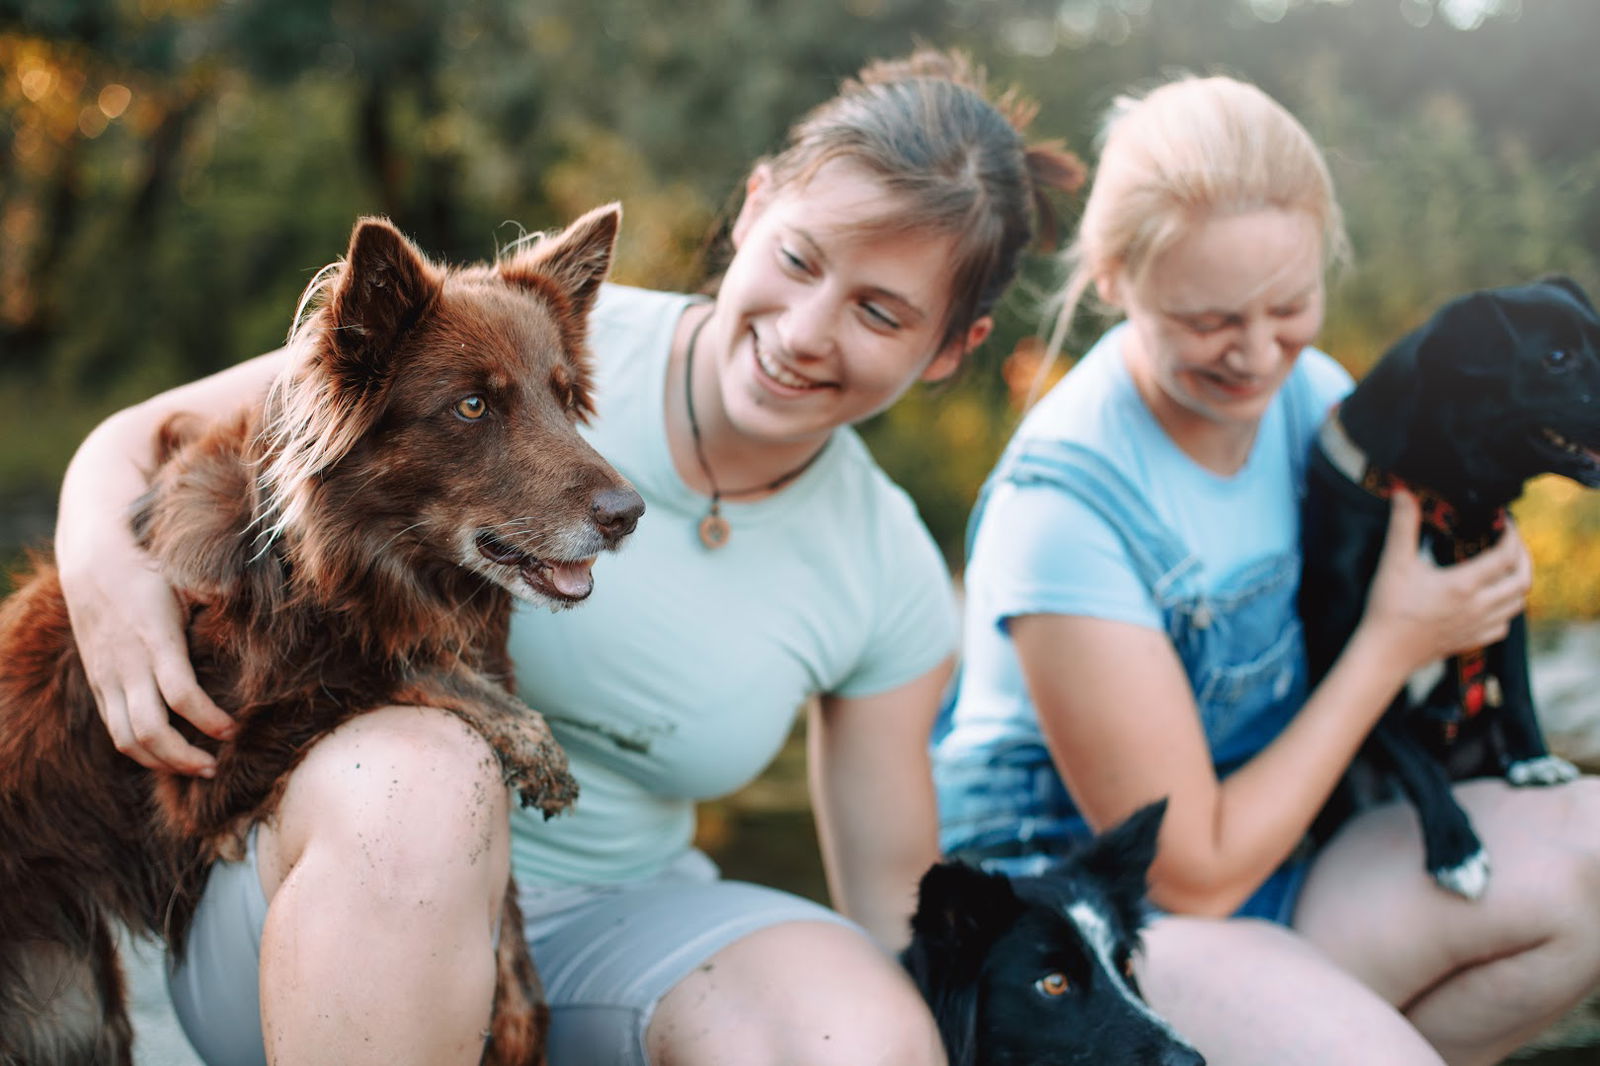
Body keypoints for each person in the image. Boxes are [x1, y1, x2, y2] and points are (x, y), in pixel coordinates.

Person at [54, 50, 1084, 1066]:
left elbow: (900, 903)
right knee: (430, 776)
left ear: (953, 348)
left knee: (857, 1030)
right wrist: (102, 578)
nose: (807, 332)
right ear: (755, 206)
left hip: (613, 932)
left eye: (879, 312)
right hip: (328, 901)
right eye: (802, 260)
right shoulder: (513, 332)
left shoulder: (886, 563)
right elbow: (136, 438)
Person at [933, 74, 1600, 1066]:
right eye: (1207, 320)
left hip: (1279, 862)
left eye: (1289, 305)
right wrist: (1394, 643)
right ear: (1116, 279)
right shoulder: (1063, 508)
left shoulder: (1314, 398)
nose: (1256, 356)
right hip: (1097, 933)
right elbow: (1186, 876)